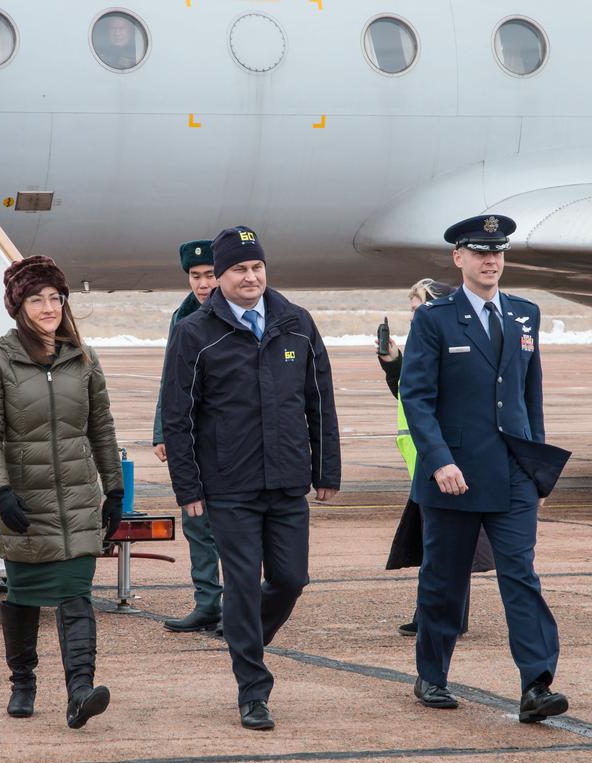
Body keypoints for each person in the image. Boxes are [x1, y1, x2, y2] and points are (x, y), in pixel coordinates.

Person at [160, 226, 341, 731]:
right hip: (229, 486)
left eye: (257, 267)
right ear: (217, 278)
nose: (251, 277)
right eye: (239, 269)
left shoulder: (296, 323)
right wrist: (188, 489)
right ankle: (253, 689)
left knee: (290, 579)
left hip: (287, 482)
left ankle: (245, 640)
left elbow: (319, 403)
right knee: (240, 584)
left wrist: (325, 471)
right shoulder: (195, 333)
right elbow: (178, 417)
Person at [400, 214, 571, 723]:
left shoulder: (524, 314)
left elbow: (528, 393)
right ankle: (432, 675)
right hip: (453, 476)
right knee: (445, 581)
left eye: (497, 252)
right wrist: (439, 462)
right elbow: (416, 397)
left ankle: (536, 684)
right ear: (458, 259)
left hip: (514, 473)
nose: (490, 260)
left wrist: (538, 464)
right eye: (479, 252)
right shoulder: (435, 318)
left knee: (520, 576)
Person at [0, 255, 124, 730]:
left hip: (77, 498)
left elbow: (101, 426)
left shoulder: (83, 357)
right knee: (22, 596)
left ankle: (80, 690)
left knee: (76, 593)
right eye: (36, 299)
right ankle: (23, 679)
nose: (47, 307)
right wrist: (0, 491)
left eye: (54, 298)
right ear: (19, 307)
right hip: (26, 500)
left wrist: (114, 488)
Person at [380, 279, 494, 637]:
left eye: (420, 308)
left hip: (443, 460)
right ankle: (432, 612)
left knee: (450, 543)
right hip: (425, 461)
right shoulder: (424, 342)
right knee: (436, 545)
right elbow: (412, 395)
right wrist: (394, 364)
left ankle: (446, 616)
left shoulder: (450, 341)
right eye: (413, 310)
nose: (416, 316)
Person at [153, 240, 223, 633]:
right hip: (192, 438)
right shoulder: (182, 316)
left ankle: (243, 604)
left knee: (234, 525)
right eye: (196, 276)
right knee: (196, 520)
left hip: (232, 438)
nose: (203, 283)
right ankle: (208, 603)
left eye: (210, 274)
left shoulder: (243, 312)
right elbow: (171, 376)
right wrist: (163, 430)